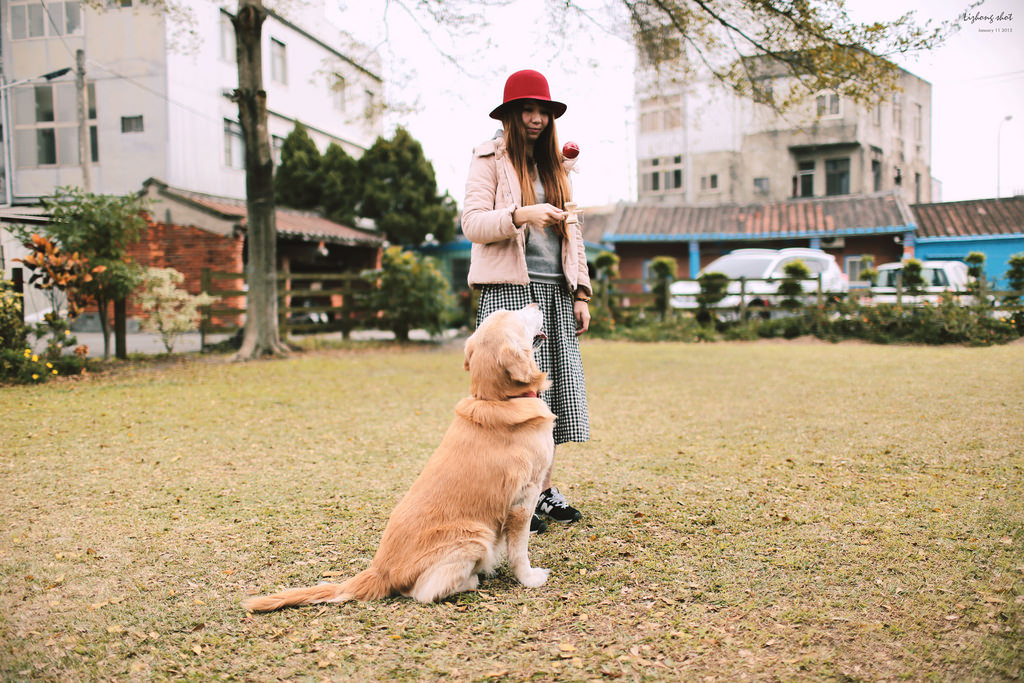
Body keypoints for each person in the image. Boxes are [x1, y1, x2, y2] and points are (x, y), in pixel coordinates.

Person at [462, 69, 591, 534]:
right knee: (511, 399)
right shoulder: (488, 159)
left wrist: (580, 290)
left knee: (549, 399)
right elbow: (473, 223)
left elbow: (573, 231)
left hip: (555, 294)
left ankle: (542, 491)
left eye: (543, 111)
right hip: (508, 295)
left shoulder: (556, 166)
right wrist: (520, 214)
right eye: (527, 110)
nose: (536, 118)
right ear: (512, 115)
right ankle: (512, 495)